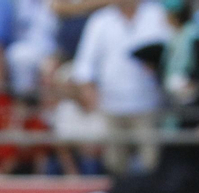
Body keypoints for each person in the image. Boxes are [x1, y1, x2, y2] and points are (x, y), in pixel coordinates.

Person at [70, 0, 169, 173]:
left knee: (152, 162)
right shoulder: (100, 20)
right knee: (115, 164)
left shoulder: (157, 14)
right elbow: (84, 66)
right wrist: (91, 95)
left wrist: (158, 67)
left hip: (148, 103)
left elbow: (172, 53)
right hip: (111, 105)